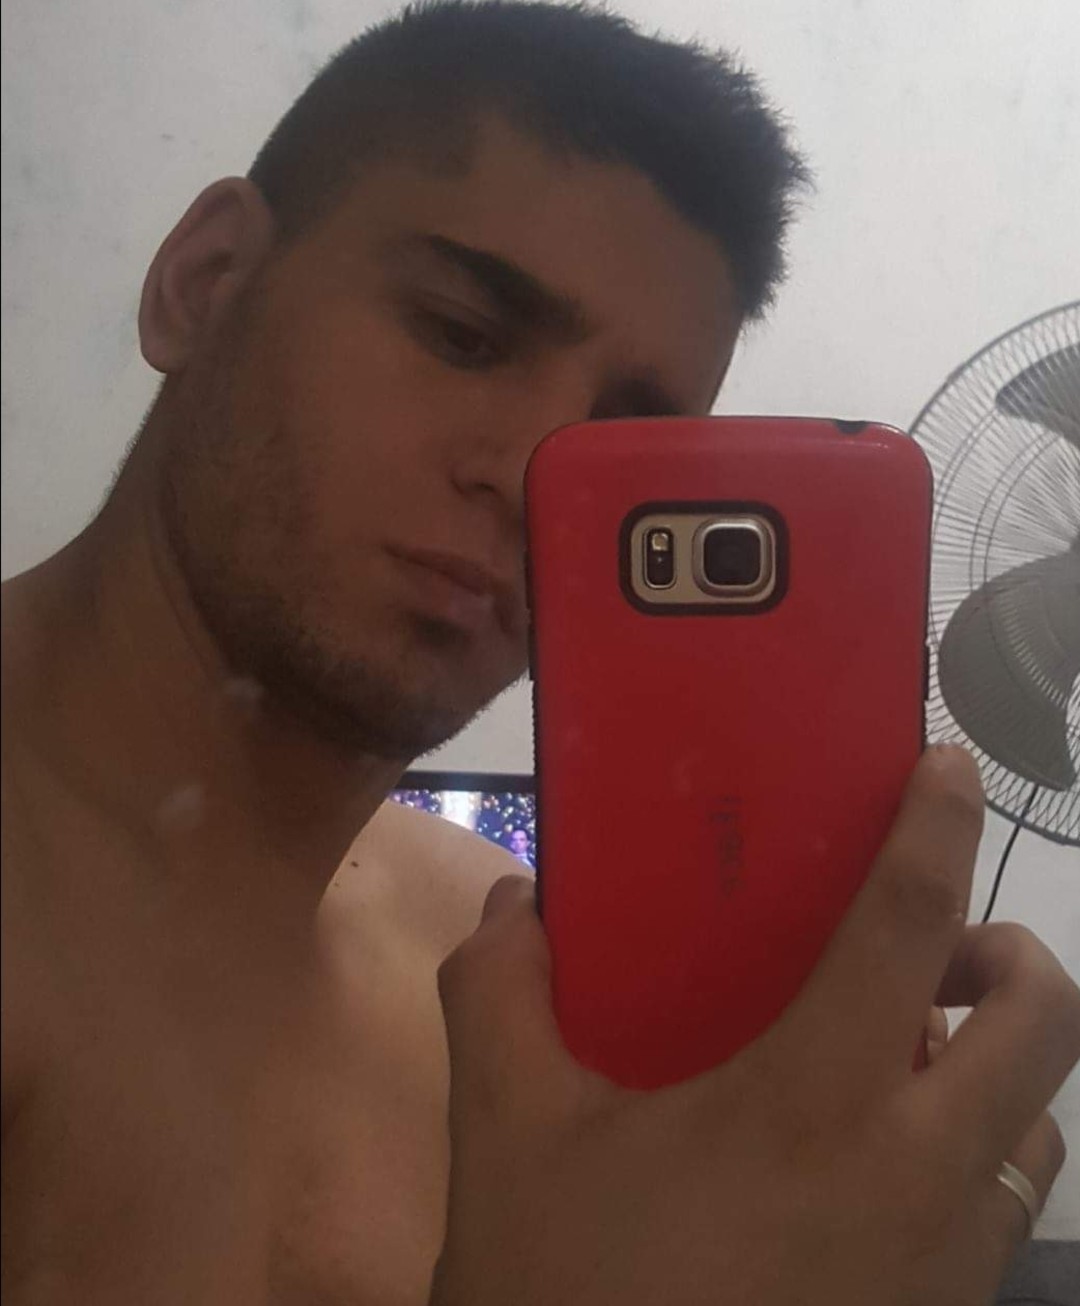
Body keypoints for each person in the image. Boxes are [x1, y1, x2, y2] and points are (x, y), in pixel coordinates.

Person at [2, 2, 1078, 1303]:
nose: (531, 482)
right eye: (462, 333)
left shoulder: (507, 962)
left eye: (617, 450)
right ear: (206, 282)